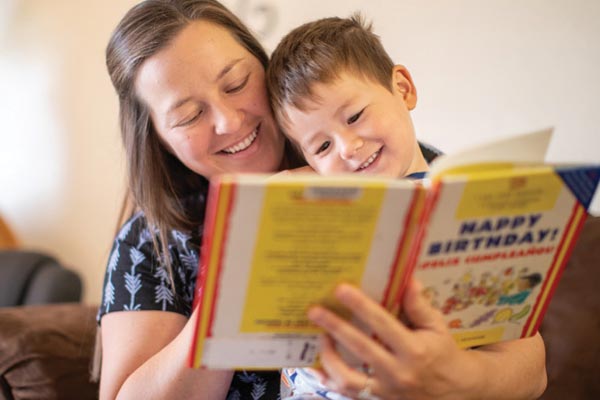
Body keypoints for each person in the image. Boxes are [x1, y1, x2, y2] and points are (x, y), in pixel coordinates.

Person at [97, 1, 547, 399]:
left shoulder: (401, 168)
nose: (229, 121)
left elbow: (528, 367)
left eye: (236, 84)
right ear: (157, 139)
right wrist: (232, 288)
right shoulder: (151, 241)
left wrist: (452, 376)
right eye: (190, 115)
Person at [266, 15, 547, 400]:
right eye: (322, 147)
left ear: (403, 88)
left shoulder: (461, 205)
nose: (347, 147)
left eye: (354, 116)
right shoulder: (310, 206)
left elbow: (528, 360)